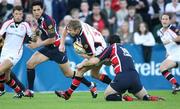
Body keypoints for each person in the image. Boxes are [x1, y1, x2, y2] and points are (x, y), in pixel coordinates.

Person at [56, 34, 164, 101]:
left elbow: (96, 60)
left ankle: (123, 98)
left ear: (110, 43)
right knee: (144, 97)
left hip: (123, 77)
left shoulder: (112, 47)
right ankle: (147, 97)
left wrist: (82, 63)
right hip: (135, 77)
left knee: (108, 95)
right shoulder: (125, 49)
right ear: (120, 41)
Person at [24, 1, 97, 98]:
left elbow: (52, 38)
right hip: (48, 48)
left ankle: (91, 85)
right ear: (32, 11)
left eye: (38, 9)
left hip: (57, 49)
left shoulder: (47, 20)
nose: (36, 12)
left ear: (42, 9)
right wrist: (34, 34)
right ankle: (31, 91)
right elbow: (40, 30)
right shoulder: (40, 20)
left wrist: (37, 44)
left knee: (68, 74)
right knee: (30, 64)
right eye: (34, 10)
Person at [56, 19, 112, 99]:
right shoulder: (78, 24)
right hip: (98, 44)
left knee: (80, 70)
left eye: (71, 31)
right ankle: (114, 84)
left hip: (100, 51)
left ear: (77, 30)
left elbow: (92, 58)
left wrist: (82, 57)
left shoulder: (86, 40)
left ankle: (67, 94)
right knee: (94, 74)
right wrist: (62, 44)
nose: (69, 32)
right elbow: (66, 29)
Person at [0, 6, 33, 98]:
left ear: (22, 15)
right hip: (4, 52)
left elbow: (32, 37)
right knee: (6, 78)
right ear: (13, 14)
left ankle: (1, 90)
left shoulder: (25, 25)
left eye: (20, 14)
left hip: (15, 54)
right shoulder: (7, 23)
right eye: (16, 14)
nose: (18, 16)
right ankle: (19, 92)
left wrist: (36, 34)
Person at [158, 13, 180, 94]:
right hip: (172, 55)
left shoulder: (173, 28)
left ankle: (176, 85)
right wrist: (167, 52)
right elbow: (167, 45)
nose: (164, 21)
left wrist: (171, 40)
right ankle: (176, 85)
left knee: (162, 67)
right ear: (161, 20)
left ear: (169, 20)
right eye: (163, 19)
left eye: (166, 19)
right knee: (162, 68)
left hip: (178, 53)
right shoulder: (160, 31)